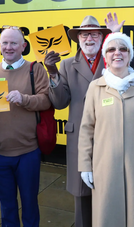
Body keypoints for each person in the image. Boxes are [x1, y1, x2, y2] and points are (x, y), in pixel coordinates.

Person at [78, 32, 134, 227]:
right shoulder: (95, 87)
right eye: (111, 49)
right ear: (105, 55)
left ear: (130, 54)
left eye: (123, 49)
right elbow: (86, 129)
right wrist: (85, 165)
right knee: (106, 217)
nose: (117, 53)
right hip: (104, 168)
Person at [44, 13, 124, 227]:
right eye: (84, 35)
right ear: (78, 39)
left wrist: (116, 35)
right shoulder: (68, 64)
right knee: (82, 194)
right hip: (79, 136)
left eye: (94, 34)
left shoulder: (112, 60)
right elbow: (60, 102)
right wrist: (53, 74)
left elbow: (125, 68)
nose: (89, 39)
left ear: (102, 37)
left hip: (109, 135)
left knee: (109, 190)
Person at [0, 25, 50, 227]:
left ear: (23, 46)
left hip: (28, 152)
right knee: (7, 206)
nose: (9, 47)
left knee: (30, 204)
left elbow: (46, 100)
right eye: (4, 43)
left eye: (14, 43)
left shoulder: (35, 69)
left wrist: (24, 99)